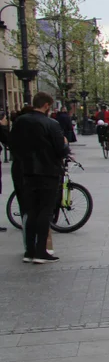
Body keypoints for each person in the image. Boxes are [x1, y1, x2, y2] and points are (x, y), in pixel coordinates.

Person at [8, 93, 68, 263]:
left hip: (26, 171)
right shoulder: (51, 124)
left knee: (30, 210)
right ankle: (41, 251)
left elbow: (12, 144)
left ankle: (29, 251)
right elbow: (60, 149)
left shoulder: (20, 122)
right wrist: (65, 145)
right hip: (48, 172)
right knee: (45, 211)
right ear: (47, 106)